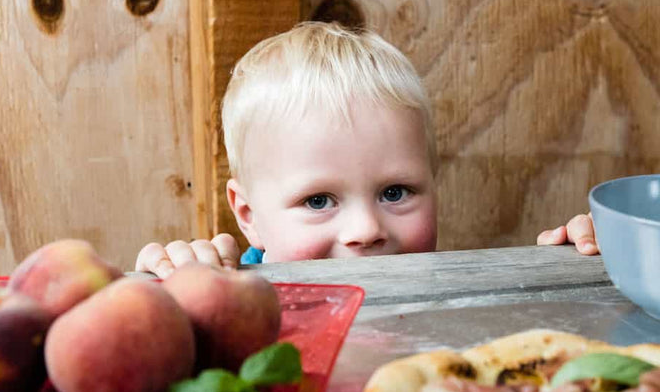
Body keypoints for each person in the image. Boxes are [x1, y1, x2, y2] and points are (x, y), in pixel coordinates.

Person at [135, 22, 597, 278]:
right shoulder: (227, 298)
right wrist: (176, 287)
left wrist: (580, 260)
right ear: (249, 215)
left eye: (395, 192)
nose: (366, 230)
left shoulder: (451, 289)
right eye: (318, 201)